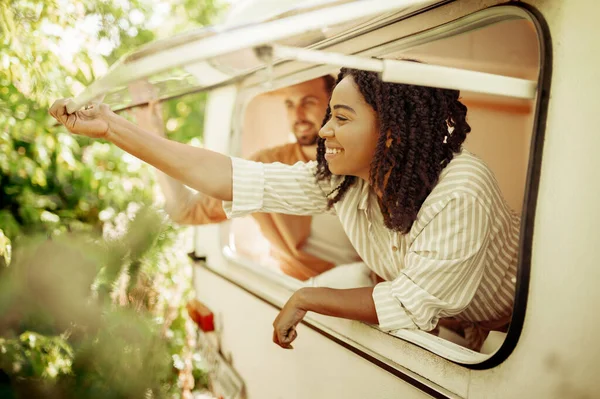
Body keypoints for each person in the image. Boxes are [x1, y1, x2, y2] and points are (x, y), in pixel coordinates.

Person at [49, 67, 519, 352]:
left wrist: (306, 297)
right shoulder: (343, 178)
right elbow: (222, 176)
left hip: (514, 328)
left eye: (338, 116)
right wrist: (113, 128)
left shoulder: (460, 189)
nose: (324, 130)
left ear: (391, 130)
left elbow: (409, 303)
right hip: (451, 324)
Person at [129, 77, 367, 285]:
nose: (298, 115)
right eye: (290, 105)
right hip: (304, 290)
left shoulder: (361, 161)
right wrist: (151, 132)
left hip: (372, 290)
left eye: (309, 102)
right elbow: (187, 210)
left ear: (333, 107)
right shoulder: (271, 164)